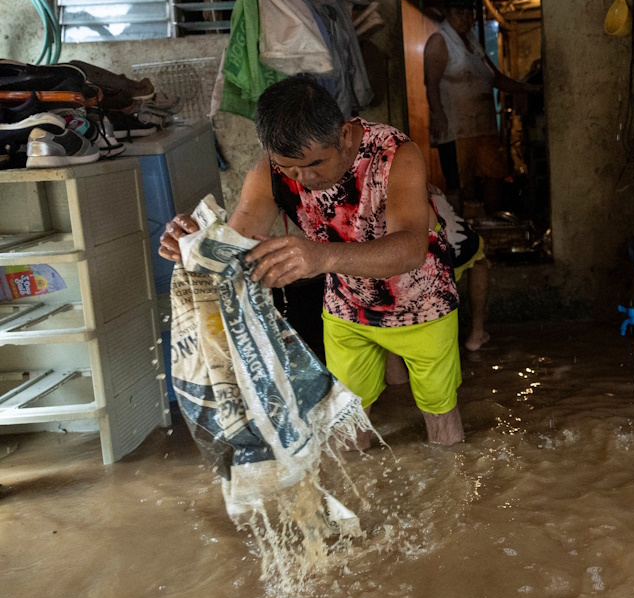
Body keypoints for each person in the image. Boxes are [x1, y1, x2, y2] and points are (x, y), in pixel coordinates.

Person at [158, 77, 465, 447]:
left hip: (423, 304)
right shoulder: (268, 174)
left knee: (441, 420)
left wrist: (322, 255)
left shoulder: (396, 154)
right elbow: (236, 246)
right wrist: (195, 247)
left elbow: (411, 248)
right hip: (347, 308)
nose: (305, 178)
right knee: (345, 426)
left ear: (346, 134)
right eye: (290, 169)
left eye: (316, 163)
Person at [424, 0, 540, 213]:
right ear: (448, 13)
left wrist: (528, 88)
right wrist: (437, 114)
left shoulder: (473, 42)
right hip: (455, 130)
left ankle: (491, 223)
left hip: (482, 127)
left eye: (469, 13)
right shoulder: (439, 41)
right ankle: (462, 236)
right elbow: (432, 83)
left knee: (495, 174)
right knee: (460, 185)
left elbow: (494, 78)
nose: (465, 19)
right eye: (459, 13)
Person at [386, 186, 489, 386]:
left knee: (385, 299)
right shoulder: (410, 173)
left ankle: (397, 385)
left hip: (413, 253)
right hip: (441, 249)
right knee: (477, 258)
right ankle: (476, 333)